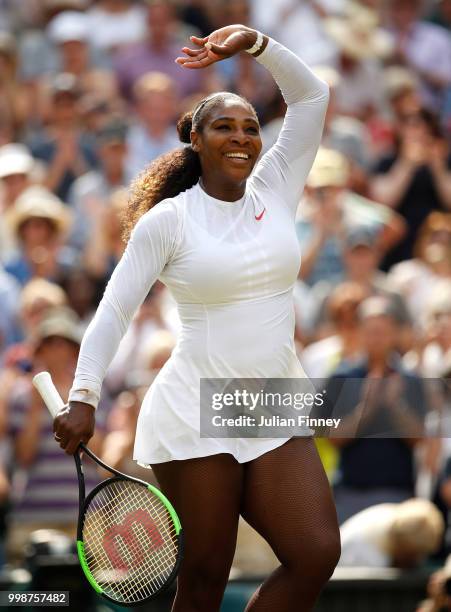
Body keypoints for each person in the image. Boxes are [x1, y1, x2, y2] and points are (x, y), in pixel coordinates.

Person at [53, 24, 340, 611]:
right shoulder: (170, 220)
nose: (242, 137)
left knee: (316, 553)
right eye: (224, 127)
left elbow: (311, 96)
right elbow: (115, 308)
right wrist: (84, 394)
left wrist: (257, 45)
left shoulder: (277, 186)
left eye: (250, 128)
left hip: (271, 402)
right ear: (196, 141)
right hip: (193, 407)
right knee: (205, 577)